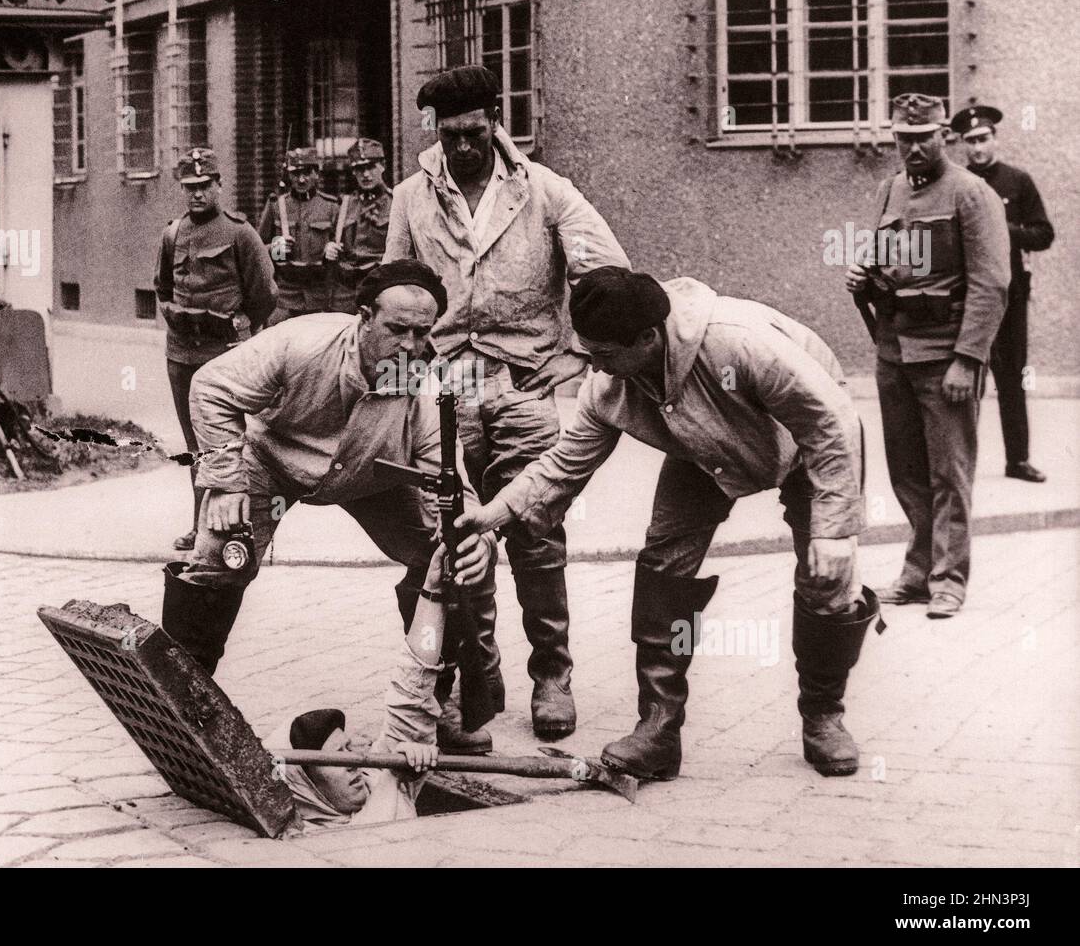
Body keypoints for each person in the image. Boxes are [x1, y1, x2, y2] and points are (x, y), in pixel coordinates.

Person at [458, 267, 879, 781]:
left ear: (648, 337)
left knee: (827, 578)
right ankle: (658, 729)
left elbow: (830, 423)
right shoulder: (608, 382)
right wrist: (495, 513)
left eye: (606, 354)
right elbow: (563, 465)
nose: (595, 367)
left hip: (810, 445)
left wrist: (835, 531)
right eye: (587, 351)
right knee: (662, 569)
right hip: (701, 454)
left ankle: (823, 717)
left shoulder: (739, 344)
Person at [384, 64, 631, 744]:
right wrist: (403, 383)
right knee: (457, 534)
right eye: (449, 134)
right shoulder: (411, 197)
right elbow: (393, 290)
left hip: (525, 388)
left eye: (473, 131)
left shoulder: (545, 191)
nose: (462, 147)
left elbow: (607, 274)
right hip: (446, 398)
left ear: (495, 120)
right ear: (434, 131)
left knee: (537, 535)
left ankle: (553, 673)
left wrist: (575, 362)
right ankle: (471, 672)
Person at [171, 259, 500, 746]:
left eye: (422, 332)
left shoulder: (423, 381)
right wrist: (225, 481)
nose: (410, 345)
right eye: (397, 329)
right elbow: (211, 388)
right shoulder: (299, 342)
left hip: (375, 474)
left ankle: (435, 700)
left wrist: (476, 533)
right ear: (364, 316)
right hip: (273, 461)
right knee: (222, 554)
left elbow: (447, 472)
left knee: (448, 557)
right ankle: (182, 704)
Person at [847, 94, 1011, 619]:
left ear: (945, 135)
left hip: (945, 355)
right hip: (894, 351)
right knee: (907, 471)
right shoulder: (887, 190)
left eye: (924, 136)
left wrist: (968, 358)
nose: (913, 147)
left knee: (950, 472)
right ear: (893, 137)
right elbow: (887, 265)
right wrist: (862, 279)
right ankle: (918, 572)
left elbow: (991, 284)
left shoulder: (971, 193)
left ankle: (949, 579)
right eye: (903, 137)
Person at [269, 540, 472, 830]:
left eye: (348, 748)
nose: (353, 762)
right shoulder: (304, 840)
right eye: (337, 757)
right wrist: (395, 777)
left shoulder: (373, 779)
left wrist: (433, 592)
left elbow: (412, 693)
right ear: (307, 784)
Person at [154, 148, 277, 551]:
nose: (197, 194)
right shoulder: (172, 233)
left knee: (230, 442)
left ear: (219, 185)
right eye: (190, 187)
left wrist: (241, 326)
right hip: (182, 355)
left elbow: (263, 294)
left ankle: (244, 523)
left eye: (205, 185)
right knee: (194, 445)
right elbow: (162, 288)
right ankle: (199, 524)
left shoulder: (240, 233)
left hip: (224, 355)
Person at [950, 104, 1055, 483]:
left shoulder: (1017, 181)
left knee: (1011, 379)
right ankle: (963, 464)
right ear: (962, 145)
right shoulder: (956, 183)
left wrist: (1003, 228)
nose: (977, 148)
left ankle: (1018, 460)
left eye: (983, 139)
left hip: (1009, 298)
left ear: (995, 138)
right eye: (970, 141)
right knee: (966, 382)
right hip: (967, 299)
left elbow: (1044, 234)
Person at [257, 147, 341, 322]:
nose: (301, 179)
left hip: (320, 297)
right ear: (289, 175)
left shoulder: (331, 207)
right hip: (284, 296)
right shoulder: (276, 205)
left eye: (307, 173)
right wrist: (275, 248)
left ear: (317, 174)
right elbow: (257, 251)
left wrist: (333, 250)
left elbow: (345, 252)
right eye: (296, 173)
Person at [328, 138, 392, 314]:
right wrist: (329, 248)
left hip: (380, 290)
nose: (365, 175)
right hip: (346, 294)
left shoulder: (396, 203)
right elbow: (331, 241)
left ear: (382, 166)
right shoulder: (345, 204)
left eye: (370, 167)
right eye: (359, 169)